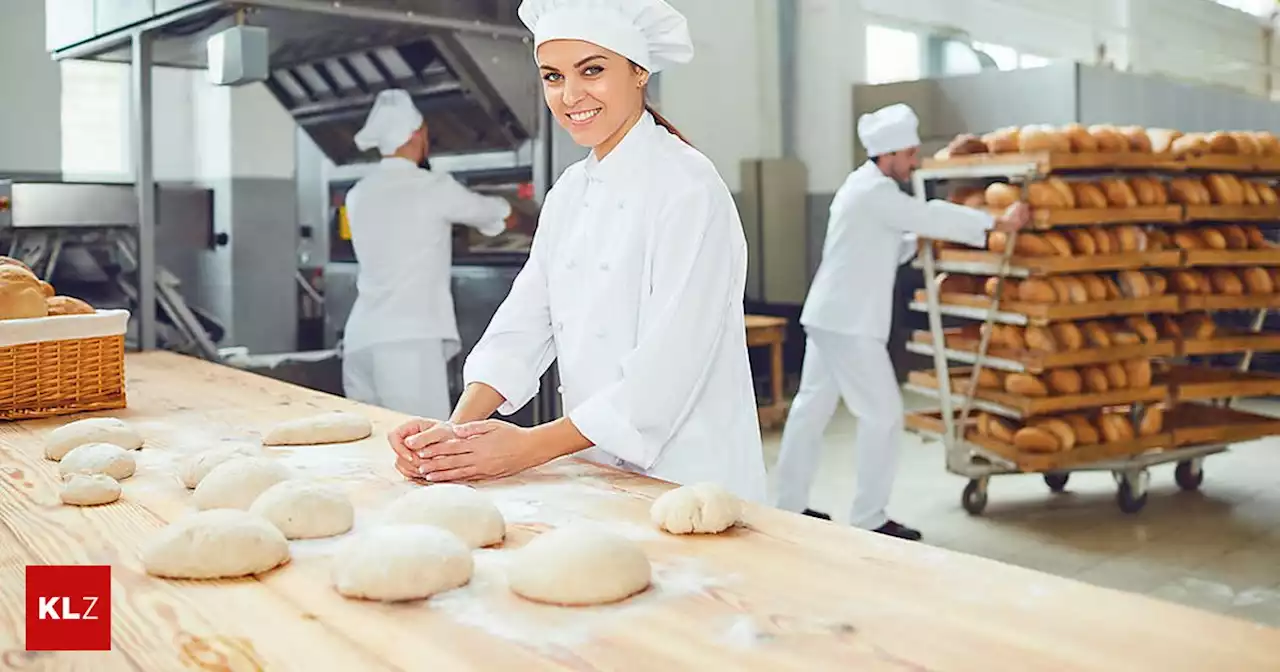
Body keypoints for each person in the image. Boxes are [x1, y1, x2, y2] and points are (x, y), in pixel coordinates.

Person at [384, 0, 768, 502]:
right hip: (599, 470)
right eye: (552, 76)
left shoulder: (689, 187)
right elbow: (523, 322)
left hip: (690, 477)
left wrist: (527, 448)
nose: (569, 95)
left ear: (638, 72)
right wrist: (454, 437)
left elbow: (669, 368)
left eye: (592, 70)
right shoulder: (570, 190)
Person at [772, 103, 1031, 540]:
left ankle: (788, 506)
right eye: (910, 155)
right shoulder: (876, 193)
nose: (914, 163)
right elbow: (928, 215)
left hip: (829, 315)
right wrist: (995, 222)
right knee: (884, 415)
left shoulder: (863, 188)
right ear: (889, 155)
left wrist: (918, 242)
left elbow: (885, 245)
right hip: (850, 322)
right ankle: (870, 519)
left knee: (809, 413)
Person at [341, 89, 516, 420]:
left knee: (369, 445)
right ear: (414, 134)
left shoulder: (358, 193)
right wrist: (520, 213)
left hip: (361, 339)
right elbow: (491, 213)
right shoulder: (432, 186)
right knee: (424, 445)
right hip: (408, 341)